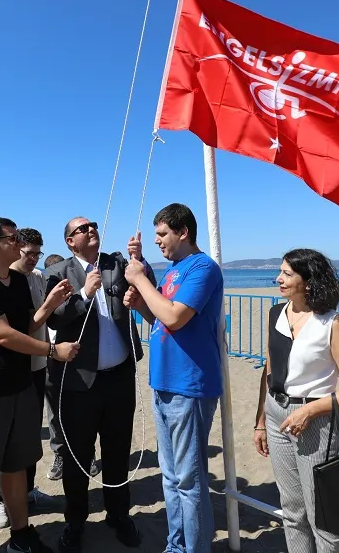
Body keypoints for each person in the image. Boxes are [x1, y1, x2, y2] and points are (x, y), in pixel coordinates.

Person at [0, 217, 79, 553]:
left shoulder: (18, 281)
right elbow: (2, 334)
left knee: (15, 466)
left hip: (20, 386)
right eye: (13, 238)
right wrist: (54, 350)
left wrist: (50, 304)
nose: (20, 245)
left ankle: (21, 535)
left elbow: (26, 326)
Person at [44, 217, 155, 553]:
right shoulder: (58, 272)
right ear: (69, 241)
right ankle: (75, 521)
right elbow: (53, 318)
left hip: (119, 377)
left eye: (93, 224)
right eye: (82, 228)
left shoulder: (116, 263)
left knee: (118, 451)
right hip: (79, 382)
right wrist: (83, 293)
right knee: (78, 456)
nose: (91, 229)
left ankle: (119, 515)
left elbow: (148, 286)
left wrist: (141, 260)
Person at [252, 249, 339, 553]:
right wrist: (261, 421)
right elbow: (269, 369)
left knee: (324, 517)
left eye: (288, 274)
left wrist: (311, 410)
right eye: (280, 272)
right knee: (291, 510)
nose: (279, 278)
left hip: (315, 421)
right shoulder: (276, 314)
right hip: (276, 414)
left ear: (308, 280)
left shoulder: (331, 324)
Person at [123, 203, 223, 553]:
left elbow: (176, 316)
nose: (158, 242)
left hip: (190, 385)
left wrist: (138, 279)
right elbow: (161, 319)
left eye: (162, 234)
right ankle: (176, 545)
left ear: (183, 232)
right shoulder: (172, 271)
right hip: (164, 382)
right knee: (171, 478)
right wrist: (140, 306)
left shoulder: (203, 268)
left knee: (189, 481)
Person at [0, 229, 58, 530]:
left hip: (37, 367)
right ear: (15, 249)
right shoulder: (2, 281)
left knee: (28, 437)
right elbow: (22, 329)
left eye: (38, 254)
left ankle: (27, 491)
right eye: (29, 254)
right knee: (2, 438)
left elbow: (44, 320)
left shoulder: (37, 277)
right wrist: (50, 304)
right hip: (13, 369)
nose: (33, 259)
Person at [41, 252, 98, 482]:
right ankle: (59, 454)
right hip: (49, 357)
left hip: (73, 359)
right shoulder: (42, 287)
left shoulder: (71, 296)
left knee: (82, 413)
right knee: (53, 411)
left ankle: (88, 454)